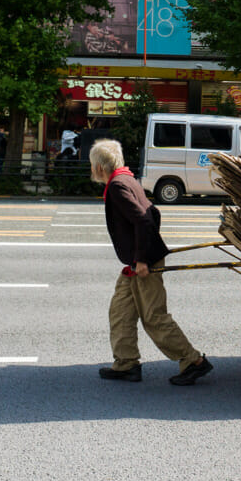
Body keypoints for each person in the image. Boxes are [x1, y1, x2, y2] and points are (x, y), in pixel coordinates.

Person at [90, 138, 212, 386]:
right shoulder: (126, 180)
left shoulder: (118, 186)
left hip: (144, 262)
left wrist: (142, 259)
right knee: (121, 312)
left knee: (154, 318)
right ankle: (126, 364)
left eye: (92, 165)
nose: (91, 169)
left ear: (100, 168)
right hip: (135, 262)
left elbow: (145, 220)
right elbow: (153, 213)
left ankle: (193, 361)